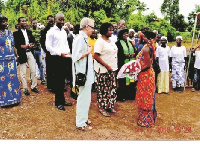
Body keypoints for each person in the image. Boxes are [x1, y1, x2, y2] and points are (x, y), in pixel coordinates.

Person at [46, 12, 72, 111]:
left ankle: (63, 100)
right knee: (58, 81)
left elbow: (65, 44)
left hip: (65, 57)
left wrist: (68, 52)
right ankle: (58, 102)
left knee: (63, 81)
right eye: (60, 19)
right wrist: (59, 53)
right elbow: (48, 46)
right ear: (55, 20)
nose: (62, 21)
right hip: (56, 58)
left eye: (63, 20)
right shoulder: (51, 31)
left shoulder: (63, 31)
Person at [72, 17, 95, 131]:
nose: (93, 30)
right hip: (82, 74)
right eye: (92, 27)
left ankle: (84, 118)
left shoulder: (85, 38)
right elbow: (75, 56)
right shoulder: (79, 39)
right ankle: (80, 123)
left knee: (87, 98)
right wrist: (88, 52)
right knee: (82, 98)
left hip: (87, 73)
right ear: (87, 27)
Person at [94, 22, 118, 117]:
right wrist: (106, 65)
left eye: (112, 29)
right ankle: (102, 107)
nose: (112, 31)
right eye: (110, 30)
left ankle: (109, 105)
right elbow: (95, 56)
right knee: (103, 89)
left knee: (111, 88)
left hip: (112, 69)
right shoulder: (100, 41)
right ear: (104, 31)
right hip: (103, 70)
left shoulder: (110, 41)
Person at [135, 30, 157, 127]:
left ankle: (146, 121)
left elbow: (147, 64)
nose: (139, 38)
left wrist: (137, 70)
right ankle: (148, 117)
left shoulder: (146, 49)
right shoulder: (148, 47)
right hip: (147, 74)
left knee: (145, 96)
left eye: (141, 36)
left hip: (146, 74)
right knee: (147, 95)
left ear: (145, 38)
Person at [13, 17, 39, 96]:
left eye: (25, 21)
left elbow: (33, 41)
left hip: (29, 52)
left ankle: (34, 86)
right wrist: (23, 46)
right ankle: (25, 88)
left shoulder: (29, 31)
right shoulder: (16, 33)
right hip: (22, 53)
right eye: (22, 21)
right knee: (23, 72)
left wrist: (32, 45)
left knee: (33, 70)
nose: (24, 22)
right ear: (19, 23)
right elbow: (16, 44)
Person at [0, 14, 21, 107]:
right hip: (2, 61)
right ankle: (4, 101)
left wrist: (17, 55)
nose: (6, 23)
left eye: (6, 21)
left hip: (11, 60)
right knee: (3, 80)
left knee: (12, 79)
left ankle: (15, 99)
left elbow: (13, 46)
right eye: (3, 21)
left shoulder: (10, 33)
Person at [116, 28, 137, 101]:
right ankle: (122, 96)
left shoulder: (130, 42)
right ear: (121, 35)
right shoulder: (118, 43)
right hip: (122, 64)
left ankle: (130, 95)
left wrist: (133, 54)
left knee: (131, 78)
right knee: (123, 79)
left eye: (126, 33)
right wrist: (125, 56)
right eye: (124, 33)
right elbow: (118, 54)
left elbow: (134, 50)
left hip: (130, 64)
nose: (126, 35)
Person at [40, 15, 54, 92]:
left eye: (52, 21)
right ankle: (50, 86)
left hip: (56, 53)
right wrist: (47, 51)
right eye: (50, 21)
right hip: (49, 53)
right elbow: (42, 43)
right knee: (49, 69)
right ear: (47, 21)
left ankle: (56, 85)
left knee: (55, 70)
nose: (51, 22)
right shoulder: (44, 31)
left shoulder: (56, 30)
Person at [31, 19, 46, 85]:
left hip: (38, 50)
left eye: (35, 23)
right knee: (32, 65)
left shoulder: (39, 31)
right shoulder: (30, 31)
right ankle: (32, 80)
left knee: (41, 65)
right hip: (32, 50)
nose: (34, 24)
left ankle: (42, 79)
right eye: (33, 23)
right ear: (31, 24)